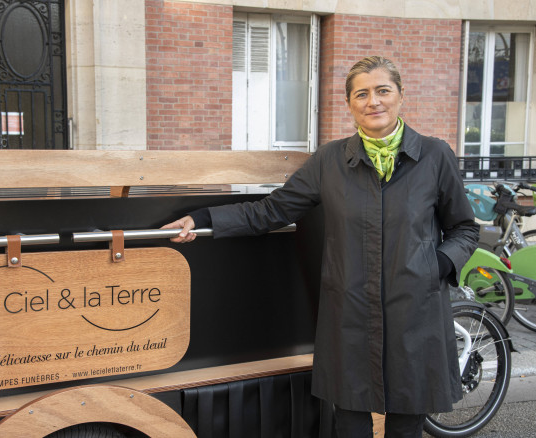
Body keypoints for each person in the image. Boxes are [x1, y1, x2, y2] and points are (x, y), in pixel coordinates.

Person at [162, 56, 479, 438]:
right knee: (349, 420)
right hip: (350, 313)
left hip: (416, 311)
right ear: (350, 104)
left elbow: (463, 228)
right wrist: (205, 219)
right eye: (361, 94)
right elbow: (272, 210)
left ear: (400, 96)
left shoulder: (435, 156)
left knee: (407, 422)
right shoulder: (330, 160)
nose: (373, 101)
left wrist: (436, 265)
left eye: (383, 91)